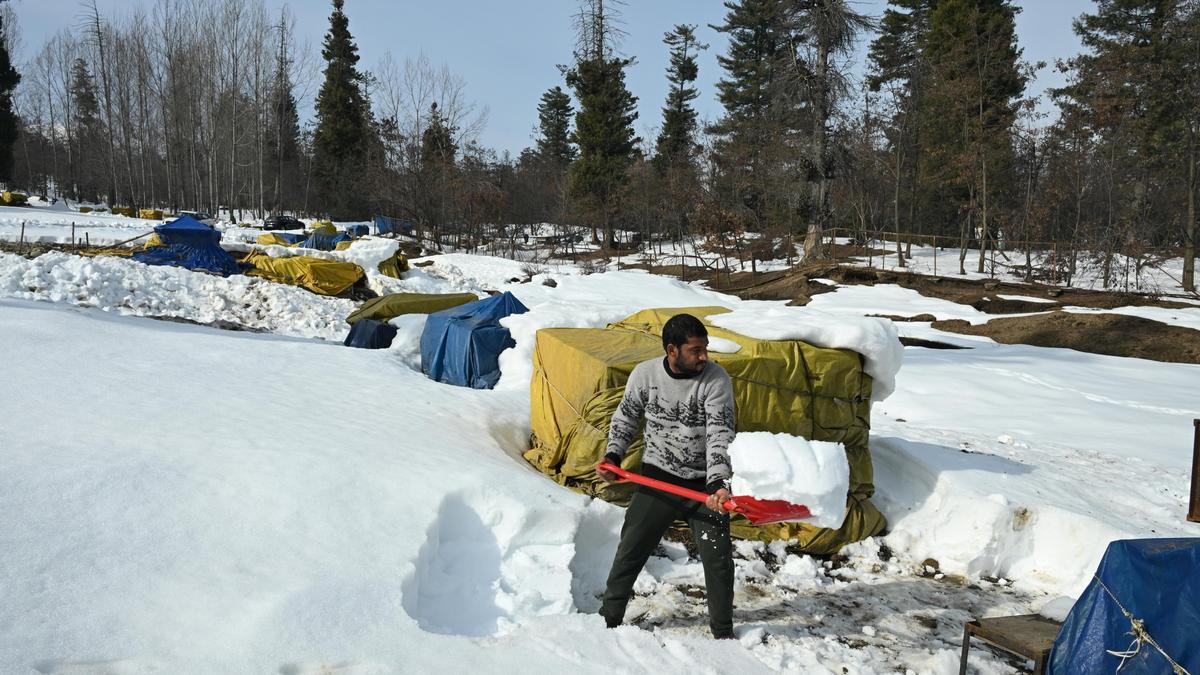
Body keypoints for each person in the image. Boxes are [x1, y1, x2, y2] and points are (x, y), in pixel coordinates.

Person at [596, 312, 737, 639]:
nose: (704, 356)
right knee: (629, 552)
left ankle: (723, 633)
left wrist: (718, 483)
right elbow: (626, 418)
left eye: (705, 349)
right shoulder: (645, 375)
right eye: (695, 350)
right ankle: (606, 622)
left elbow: (720, 433)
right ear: (672, 350)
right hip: (657, 481)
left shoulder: (716, 380)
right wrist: (613, 454)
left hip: (704, 489)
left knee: (718, 563)